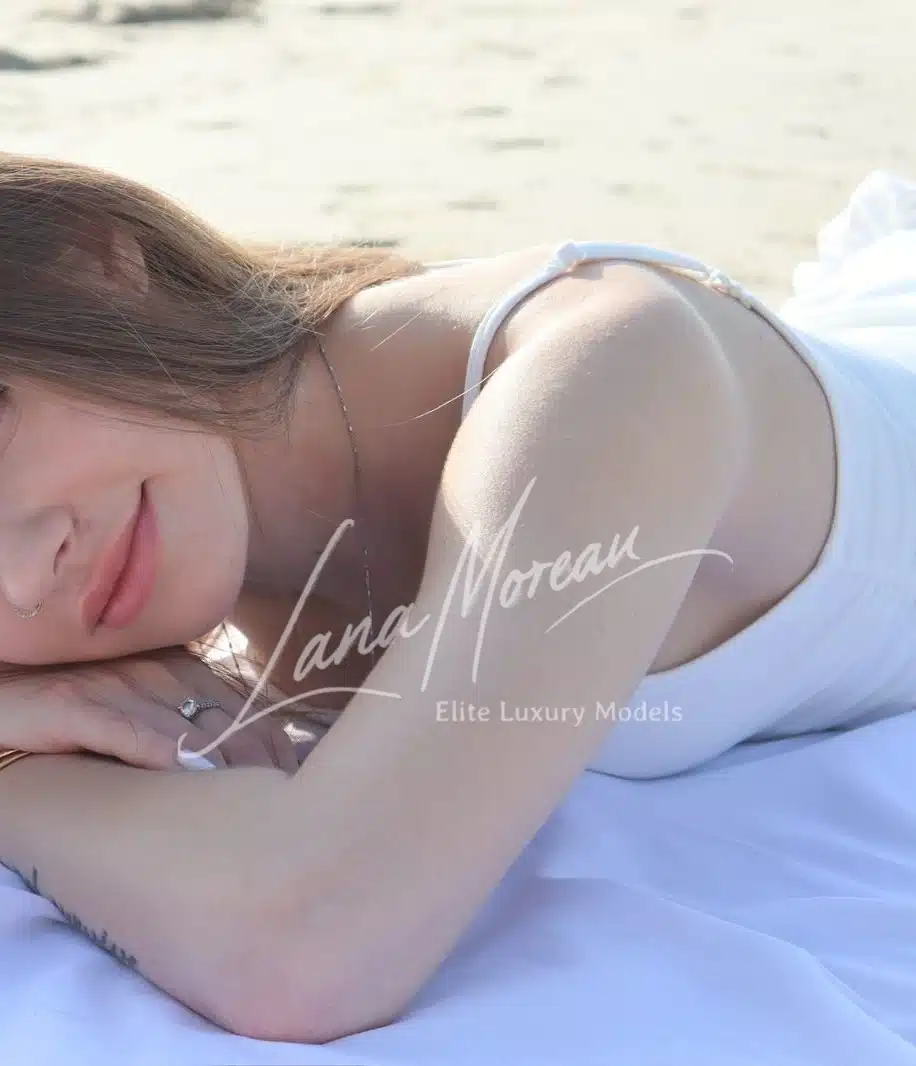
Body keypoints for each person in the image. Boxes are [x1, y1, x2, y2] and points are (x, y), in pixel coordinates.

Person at [0, 151, 912, 1042]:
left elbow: (311, 950)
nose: (25, 575)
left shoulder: (606, 371)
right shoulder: (191, 607)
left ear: (95, 268)